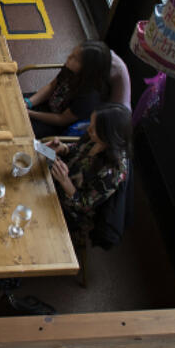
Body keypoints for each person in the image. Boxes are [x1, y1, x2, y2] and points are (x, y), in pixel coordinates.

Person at [47, 103, 131, 248]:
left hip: (73, 208)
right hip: (60, 179)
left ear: (108, 136)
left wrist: (65, 181)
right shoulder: (94, 137)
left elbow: (84, 206)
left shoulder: (113, 172)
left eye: (94, 129)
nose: (88, 129)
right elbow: (77, 150)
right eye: (90, 124)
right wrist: (63, 148)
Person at [27, 40, 113, 138]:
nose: (69, 57)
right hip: (47, 102)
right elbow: (51, 86)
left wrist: (30, 114)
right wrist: (29, 102)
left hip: (54, 124)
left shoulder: (88, 97)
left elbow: (61, 119)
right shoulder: (70, 69)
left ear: (88, 69)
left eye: (75, 58)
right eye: (72, 53)